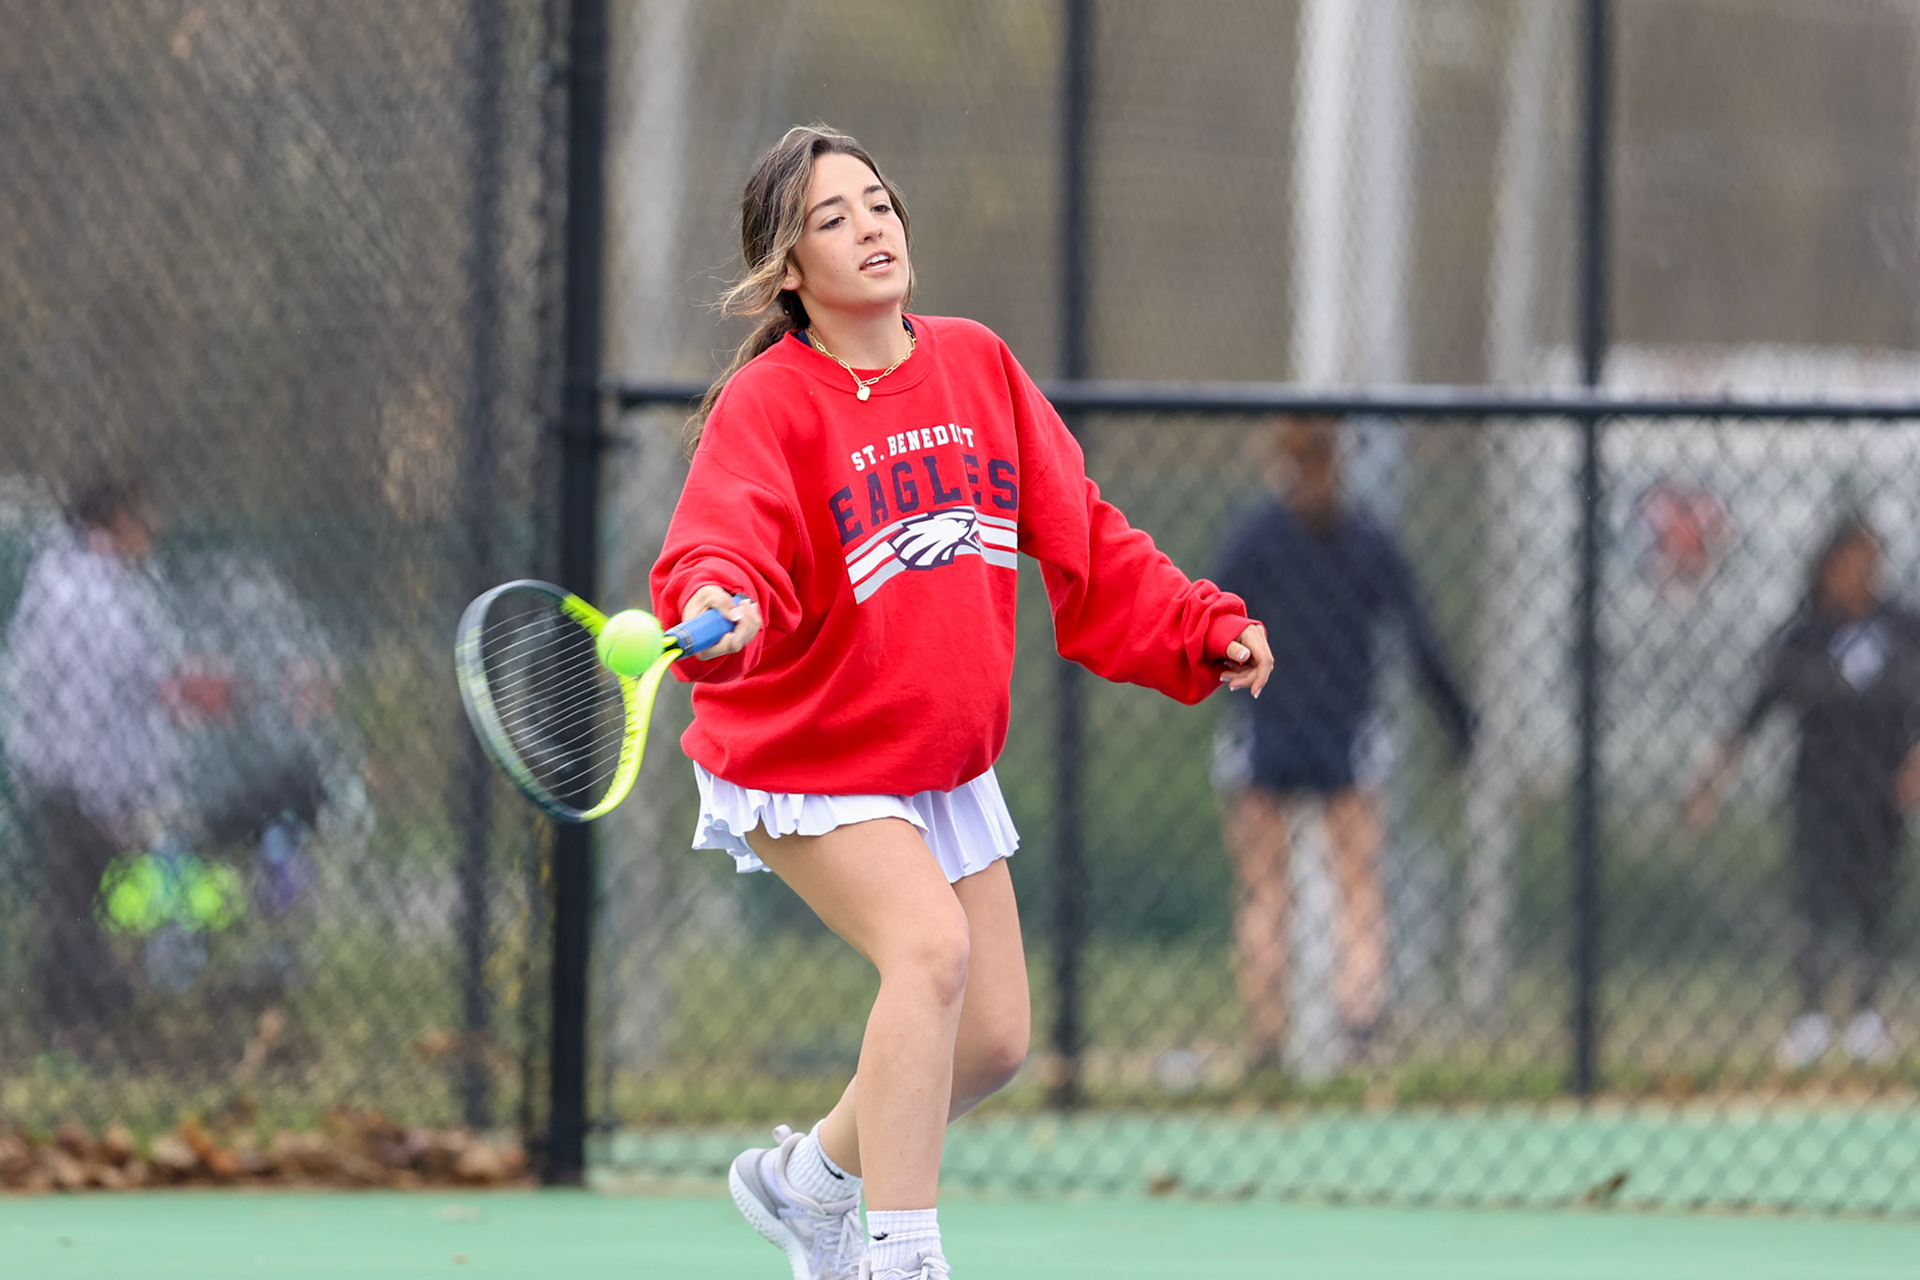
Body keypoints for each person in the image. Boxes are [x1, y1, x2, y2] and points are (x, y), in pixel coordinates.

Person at [649, 125, 1273, 1280]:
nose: (871, 227)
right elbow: (721, 543)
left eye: (878, 204)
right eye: (833, 219)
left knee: (988, 1038)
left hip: (935, 756)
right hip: (809, 750)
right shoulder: (771, 407)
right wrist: (722, 603)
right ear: (790, 271)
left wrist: (1198, 623)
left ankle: (808, 1185)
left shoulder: (979, 365)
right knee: (927, 951)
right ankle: (903, 1256)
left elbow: (1086, 535)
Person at [1210, 416, 1474, 1072]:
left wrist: (1218, 684)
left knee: (1265, 892)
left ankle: (1267, 1040)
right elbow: (1421, 638)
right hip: (1344, 735)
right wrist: (1460, 726)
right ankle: (1360, 1029)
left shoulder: (1257, 540)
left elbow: (1209, 621)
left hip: (1265, 731)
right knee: (1359, 890)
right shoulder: (1365, 541)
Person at [1686, 513, 1920, 1070]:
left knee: (1873, 900)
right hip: (1817, 789)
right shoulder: (1805, 634)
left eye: (1874, 562)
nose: (1866, 573)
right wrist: (1712, 781)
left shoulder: (1904, 627)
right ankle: (1812, 1017)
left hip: (1881, 792)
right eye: (1855, 561)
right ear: (1831, 565)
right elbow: (1754, 712)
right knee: (1814, 901)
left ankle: (1867, 1017)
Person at [2, 476, 190, 1044]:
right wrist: (106, 794)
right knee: (75, 900)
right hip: (79, 776)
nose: (152, 530)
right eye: (142, 517)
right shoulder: (85, 592)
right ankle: (81, 1015)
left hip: (74, 771)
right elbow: (88, 701)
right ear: (113, 520)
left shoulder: (84, 581)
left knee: (74, 898)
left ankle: (68, 1014)